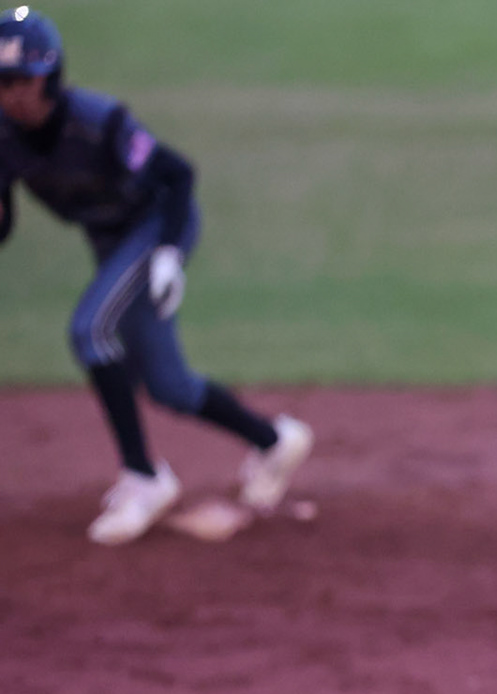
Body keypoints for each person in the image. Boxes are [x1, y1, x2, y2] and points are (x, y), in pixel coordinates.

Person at [0, 7, 311, 544]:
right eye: (2, 83)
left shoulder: (99, 122)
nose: (13, 94)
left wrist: (168, 252)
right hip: (111, 243)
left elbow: (177, 173)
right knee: (169, 386)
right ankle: (274, 440)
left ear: (50, 77)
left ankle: (144, 477)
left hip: (155, 227)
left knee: (89, 331)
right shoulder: (3, 139)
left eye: (23, 80)